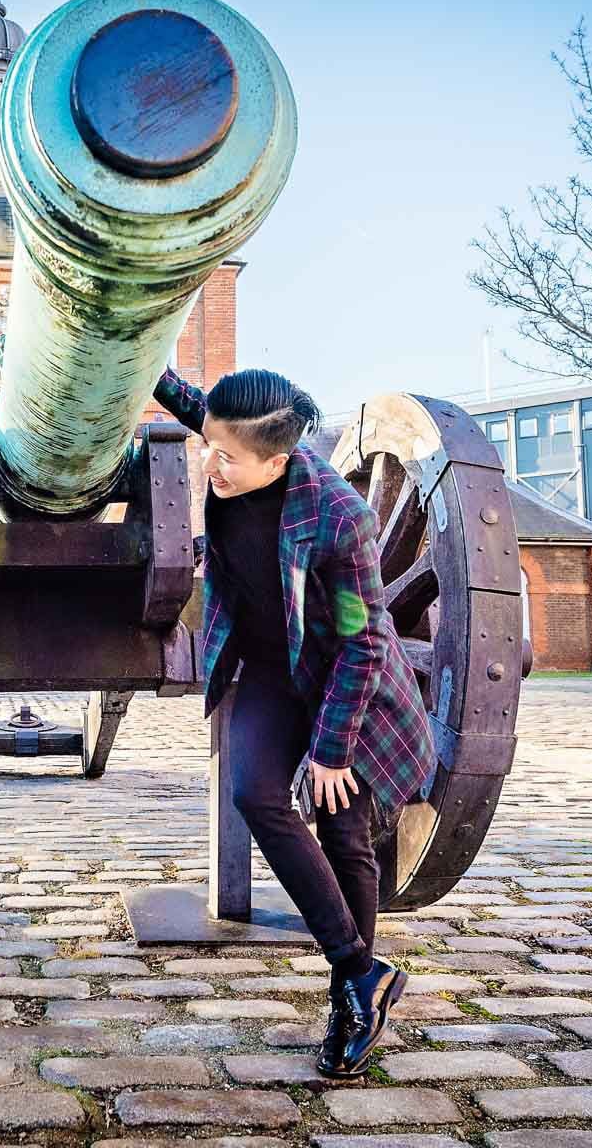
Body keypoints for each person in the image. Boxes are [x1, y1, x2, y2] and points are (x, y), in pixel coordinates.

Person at [154, 365, 435, 1080]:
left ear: (277, 460)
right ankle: (362, 971)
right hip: (270, 669)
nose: (208, 463)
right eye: (206, 444)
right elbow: (189, 399)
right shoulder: (235, 439)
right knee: (254, 792)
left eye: (225, 456)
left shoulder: (341, 519)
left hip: (344, 681)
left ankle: (350, 1003)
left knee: (345, 831)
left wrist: (332, 752)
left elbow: (364, 640)